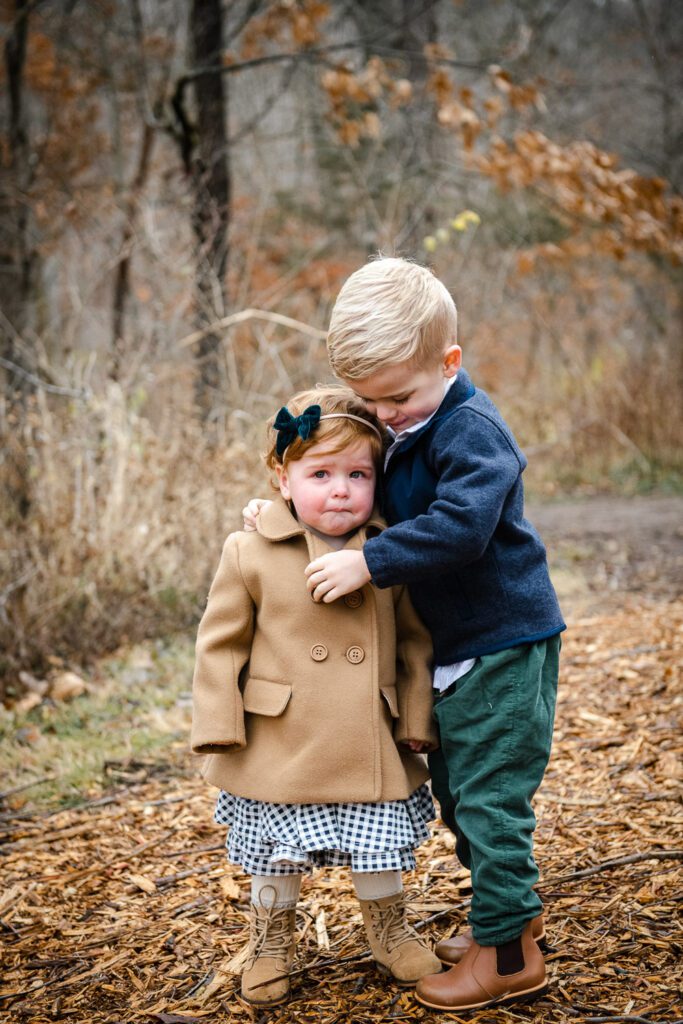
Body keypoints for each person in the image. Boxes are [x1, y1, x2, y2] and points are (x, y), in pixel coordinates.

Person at [245, 257, 565, 1010]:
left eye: (397, 397)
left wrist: (368, 562)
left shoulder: (471, 432)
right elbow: (341, 473)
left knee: (490, 801)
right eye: (371, 399)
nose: (384, 414)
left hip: (502, 643)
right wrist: (282, 514)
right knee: (459, 795)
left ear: (449, 362)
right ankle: (506, 920)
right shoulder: (404, 421)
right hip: (454, 649)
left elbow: (461, 527)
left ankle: (509, 957)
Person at [191, 383, 442, 1008]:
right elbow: (220, 644)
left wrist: (416, 718)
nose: (340, 490)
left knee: (377, 843)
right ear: (283, 479)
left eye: (358, 474)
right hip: (281, 737)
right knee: (276, 854)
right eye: (320, 474)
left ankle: (388, 930)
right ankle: (270, 940)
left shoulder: (390, 550)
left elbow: (415, 642)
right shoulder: (249, 550)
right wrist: (219, 723)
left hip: (368, 733)